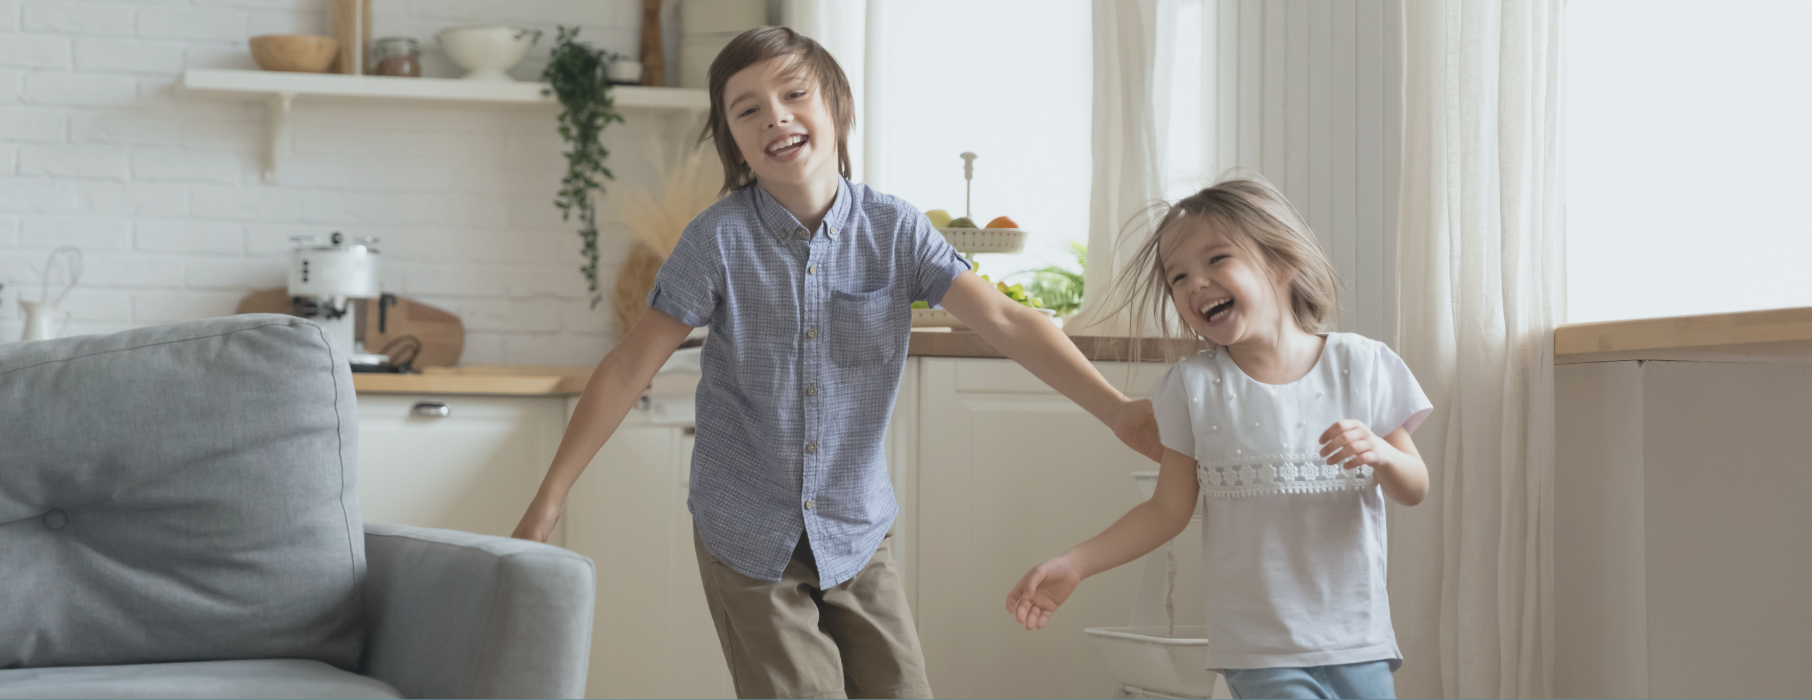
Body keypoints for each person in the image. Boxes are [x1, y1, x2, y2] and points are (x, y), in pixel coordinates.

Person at [512, 26, 1160, 700]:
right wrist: (549, 499)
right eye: (748, 109)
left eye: (794, 94)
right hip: (748, 532)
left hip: (855, 530)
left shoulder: (896, 230)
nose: (776, 116)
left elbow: (1006, 320)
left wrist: (1118, 412)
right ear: (732, 138)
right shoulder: (716, 241)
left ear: (837, 107)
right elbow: (626, 368)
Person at [1004, 175, 1432, 700]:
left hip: (1360, 643)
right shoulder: (1192, 387)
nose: (1195, 284)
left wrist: (1383, 454)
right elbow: (1166, 511)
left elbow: (1414, 487)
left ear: (1281, 262)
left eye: (1216, 260)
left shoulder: (1363, 366)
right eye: (1177, 276)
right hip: (1260, 652)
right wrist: (1076, 562)